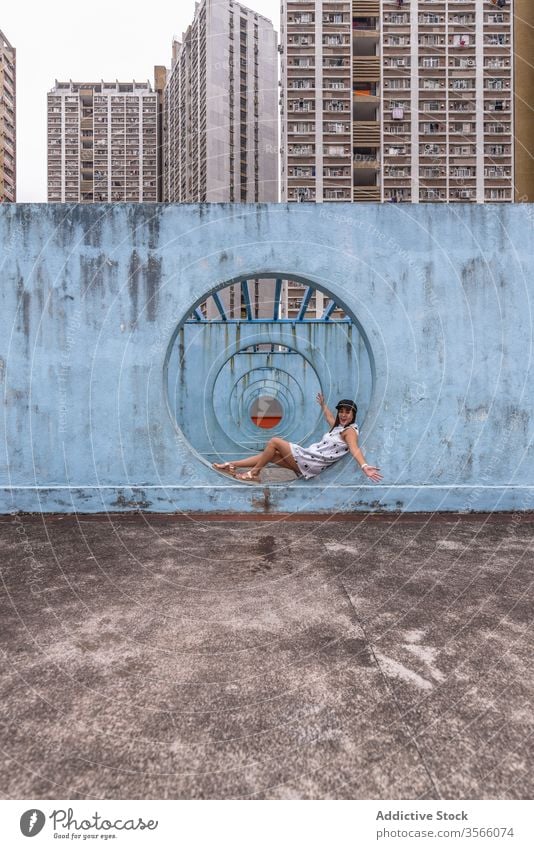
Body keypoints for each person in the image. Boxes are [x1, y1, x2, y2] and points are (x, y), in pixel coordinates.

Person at [212, 394, 382, 484]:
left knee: (274, 442)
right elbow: (330, 418)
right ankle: (231, 465)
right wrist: (323, 405)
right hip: (309, 461)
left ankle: (254, 473)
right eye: (341, 411)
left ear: (353, 415)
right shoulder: (338, 427)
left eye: (348, 412)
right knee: (272, 454)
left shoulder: (349, 431)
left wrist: (364, 466)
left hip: (312, 462)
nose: (343, 415)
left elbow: (354, 447)